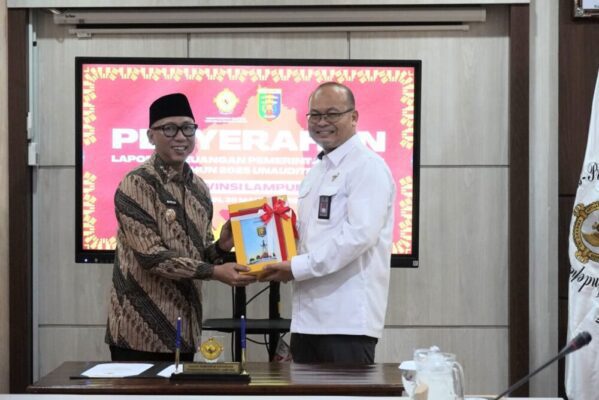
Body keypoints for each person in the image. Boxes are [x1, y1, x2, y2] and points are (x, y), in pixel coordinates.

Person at [105, 93, 256, 361]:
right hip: (139, 332)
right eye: (169, 128)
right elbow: (152, 257)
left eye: (187, 128)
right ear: (151, 136)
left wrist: (221, 247)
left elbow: (198, 256)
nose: (180, 136)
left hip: (185, 330)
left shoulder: (199, 189)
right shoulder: (137, 184)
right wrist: (215, 272)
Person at [260, 82, 396, 364]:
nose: (322, 122)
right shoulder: (317, 171)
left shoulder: (366, 166)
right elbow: (313, 238)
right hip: (307, 321)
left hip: (346, 323)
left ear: (354, 117)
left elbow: (358, 237)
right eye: (315, 115)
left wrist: (296, 267)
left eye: (332, 114)